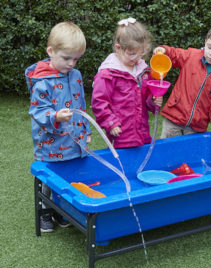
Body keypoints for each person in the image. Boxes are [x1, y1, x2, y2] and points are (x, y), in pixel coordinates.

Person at [25, 22, 91, 232]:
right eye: (66, 58)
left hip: (74, 139)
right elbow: (37, 111)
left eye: (76, 59)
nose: (71, 63)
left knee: (68, 175)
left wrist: (86, 131)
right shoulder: (43, 82)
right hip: (52, 142)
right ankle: (45, 210)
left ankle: (61, 209)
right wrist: (55, 116)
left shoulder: (76, 75)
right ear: (50, 51)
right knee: (50, 177)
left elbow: (81, 105)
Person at [92, 17, 163, 148]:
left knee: (143, 164)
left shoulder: (143, 71)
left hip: (142, 132)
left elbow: (146, 98)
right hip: (120, 135)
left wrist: (153, 101)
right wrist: (110, 122)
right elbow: (99, 102)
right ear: (118, 48)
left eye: (140, 54)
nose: (136, 59)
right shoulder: (108, 74)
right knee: (123, 165)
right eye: (132, 54)